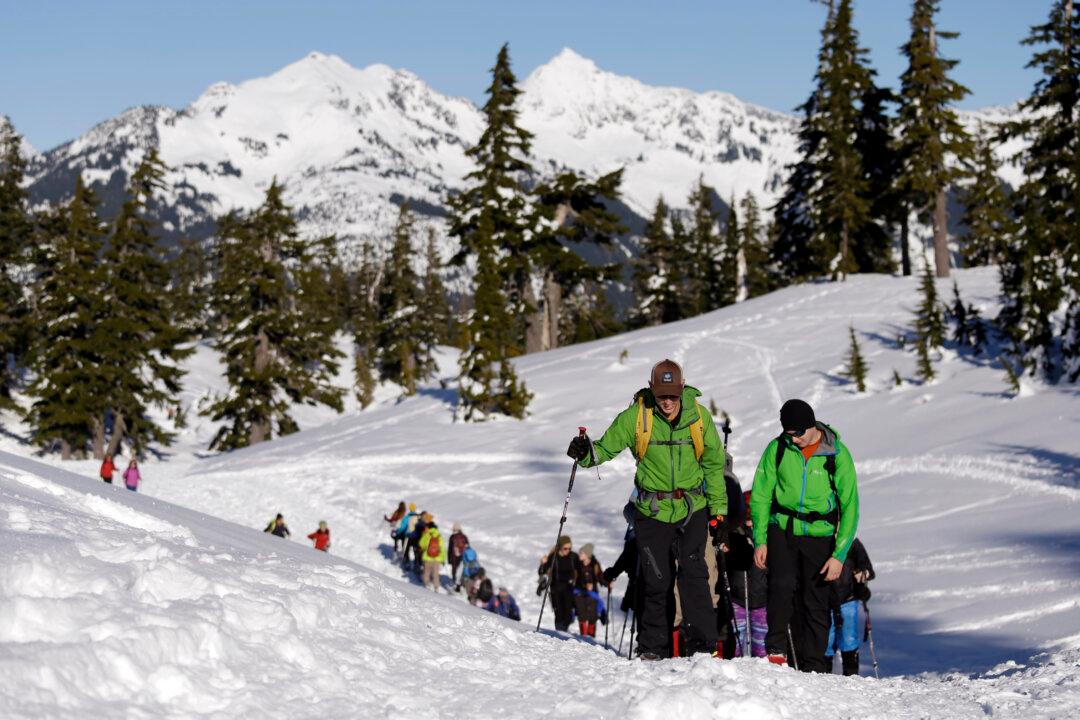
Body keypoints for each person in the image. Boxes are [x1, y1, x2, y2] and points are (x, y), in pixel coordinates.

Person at [568, 359, 728, 659]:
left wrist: (718, 511)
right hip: (651, 510)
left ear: (682, 390)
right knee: (656, 579)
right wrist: (585, 454)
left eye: (673, 396)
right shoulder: (636, 417)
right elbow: (604, 448)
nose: (667, 402)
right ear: (652, 390)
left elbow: (714, 465)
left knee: (696, 574)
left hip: (692, 506)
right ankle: (653, 649)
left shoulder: (699, 418)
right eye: (661, 395)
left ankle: (703, 648)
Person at [749, 398, 859, 672]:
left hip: (819, 534)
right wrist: (760, 539)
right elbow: (761, 496)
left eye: (798, 433)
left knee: (815, 600)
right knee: (781, 585)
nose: (794, 438)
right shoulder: (777, 449)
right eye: (789, 433)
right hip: (783, 528)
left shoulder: (837, 454)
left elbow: (850, 507)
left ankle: (813, 664)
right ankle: (775, 649)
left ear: (811, 426)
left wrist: (839, 556)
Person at [726, 491, 768, 658]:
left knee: (761, 647)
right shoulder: (734, 532)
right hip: (737, 598)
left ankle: (762, 676)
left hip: (761, 599)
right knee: (735, 645)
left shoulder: (764, 534)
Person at [825, 537, 875, 675]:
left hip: (848, 598)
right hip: (825, 600)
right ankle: (824, 676)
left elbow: (868, 569)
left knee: (848, 638)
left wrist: (863, 573)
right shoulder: (820, 539)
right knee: (826, 639)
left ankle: (851, 674)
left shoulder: (852, 542)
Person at [538, 535, 582, 633]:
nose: (568, 550)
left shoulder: (573, 556)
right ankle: (559, 633)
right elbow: (542, 572)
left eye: (570, 548)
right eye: (565, 548)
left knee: (568, 613)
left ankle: (564, 631)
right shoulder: (553, 557)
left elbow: (581, 570)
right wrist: (543, 564)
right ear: (560, 547)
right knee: (558, 613)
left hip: (568, 587)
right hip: (555, 588)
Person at [418, 516, 446, 592]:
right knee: (435, 574)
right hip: (437, 558)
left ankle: (427, 585)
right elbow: (443, 548)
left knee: (426, 572)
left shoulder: (427, 534)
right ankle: (436, 587)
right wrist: (443, 559)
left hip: (427, 557)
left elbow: (421, 544)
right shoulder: (439, 536)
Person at [448, 523, 470, 587]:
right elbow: (468, 547)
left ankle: (454, 582)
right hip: (463, 556)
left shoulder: (452, 537)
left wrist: (449, 558)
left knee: (454, 569)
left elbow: (450, 548)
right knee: (461, 570)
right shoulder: (464, 536)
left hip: (454, 556)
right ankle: (460, 584)